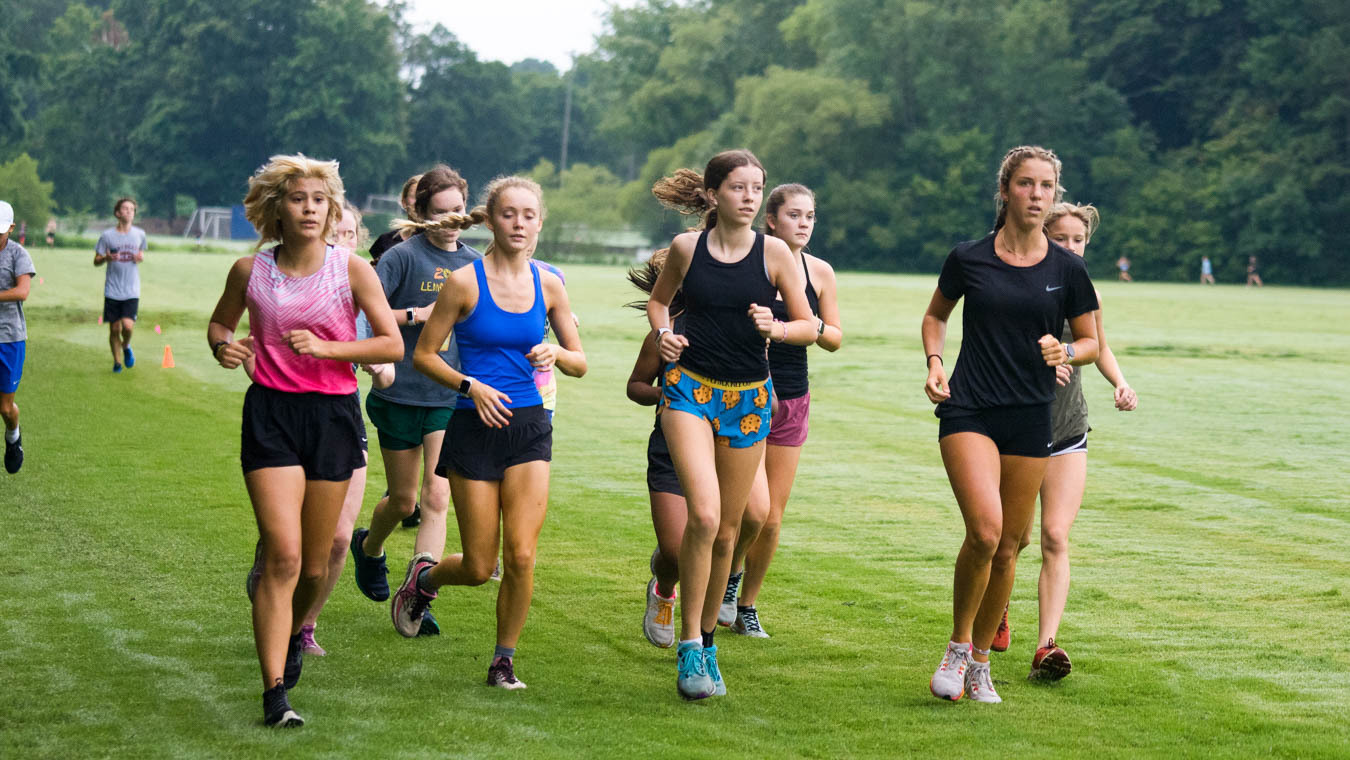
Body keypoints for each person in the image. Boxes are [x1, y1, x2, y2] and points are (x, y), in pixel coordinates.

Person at [207, 154, 402, 727]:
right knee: (284, 554)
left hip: (333, 417)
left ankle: (293, 630)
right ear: (277, 208)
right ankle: (274, 695)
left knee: (315, 566)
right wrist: (225, 347)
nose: (310, 208)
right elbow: (221, 324)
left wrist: (330, 350)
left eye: (319, 199)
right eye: (298, 198)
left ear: (331, 208)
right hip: (271, 414)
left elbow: (390, 344)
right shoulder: (250, 271)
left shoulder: (351, 270)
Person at [391, 175, 585, 690]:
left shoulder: (550, 283)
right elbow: (424, 355)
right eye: (508, 214)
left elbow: (580, 362)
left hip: (528, 427)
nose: (519, 223)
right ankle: (423, 580)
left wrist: (558, 353)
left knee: (521, 554)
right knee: (480, 565)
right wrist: (469, 385)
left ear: (540, 223)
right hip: (473, 426)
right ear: (491, 220)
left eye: (528, 215)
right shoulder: (465, 282)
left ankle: (503, 660)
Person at [921, 145, 1099, 705]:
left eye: (1046, 186)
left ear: (1054, 196)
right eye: (1025, 184)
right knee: (986, 531)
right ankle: (955, 648)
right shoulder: (970, 257)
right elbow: (935, 316)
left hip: (1030, 415)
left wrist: (1064, 351)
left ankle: (979, 665)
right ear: (1005, 191)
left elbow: (1092, 342)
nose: (1036, 195)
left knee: (1009, 549)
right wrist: (933, 361)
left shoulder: (1067, 269)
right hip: (970, 407)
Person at [645, 150, 817, 700]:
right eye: (738, 187)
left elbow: (811, 325)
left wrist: (779, 327)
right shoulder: (686, 249)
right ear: (714, 194)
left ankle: (707, 639)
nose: (748, 196)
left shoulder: (775, 254)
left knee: (729, 530)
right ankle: (690, 648)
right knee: (705, 512)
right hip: (689, 392)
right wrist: (662, 336)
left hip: (749, 399)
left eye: (755, 188)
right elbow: (659, 302)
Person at [244, 200, 397, 657]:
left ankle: (303, 626)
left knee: (334, 540)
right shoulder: (281, 277)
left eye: (349, 234)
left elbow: (386, 364)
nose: (341, 241)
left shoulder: (357, 280)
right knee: (290, 547)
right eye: (339, 233)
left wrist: (364, 362)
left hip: (341, 414)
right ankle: (275, 566)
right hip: (283, 414)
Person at [996, 203, 1137, 681]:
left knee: (1055, 536)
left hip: (1067, 428)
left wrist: (1119, 380)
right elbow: (991, 345)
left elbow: (1096, 341)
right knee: (1008, 540)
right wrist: (1040, 362)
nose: (1071, 248)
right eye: (1062, 238)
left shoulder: (1084, 288)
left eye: (1079, 240)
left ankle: (1046, 648)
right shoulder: (1012, 279)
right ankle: (996, 607)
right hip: (1014, 426)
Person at [348, 167, 483, 634]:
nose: (450, 219)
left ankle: (418, 595)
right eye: (440, 211)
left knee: (437, 494)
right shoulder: (401, 257)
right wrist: (412, 319)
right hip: (399, 391)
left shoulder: (474, 263)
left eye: (457, 211)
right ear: (420, 213)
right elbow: (364, 312)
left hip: (448, 393)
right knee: (404, 501)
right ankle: (368, 547)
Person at [718, 183, 842, 638]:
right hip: (747, 393)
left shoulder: (821, 272)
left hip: (793, 397)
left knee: (772, 516)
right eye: (794, 215)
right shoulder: (757, 262)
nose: (804, 223)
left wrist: (800, 325)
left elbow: (833, 338)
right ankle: (722, 582)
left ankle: (744, 600)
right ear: (772, 220)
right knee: (746, 510)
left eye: (810, 216)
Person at [625, 251, 687, 649]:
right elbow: (635, 385)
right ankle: (665, 587)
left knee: (718, 543)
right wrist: (664, 393)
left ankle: (697, 640)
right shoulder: (663, 333)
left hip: (723, 443)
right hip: (669, 445)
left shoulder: (735, 328)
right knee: (675, 551)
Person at [0, 201, 34, 474]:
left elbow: (23, 291)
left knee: (5, 407)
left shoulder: (17, 255)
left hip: (10, 337)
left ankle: (13, 438)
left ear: (10, 228)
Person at [94, 198, 147, 372]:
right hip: (112, 289)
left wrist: (140, 258)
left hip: (132, 289)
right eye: (125, 208)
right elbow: (96, 260)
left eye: (132, 209)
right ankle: (117, 362)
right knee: (115, 328)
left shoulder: (139, 234)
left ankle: (126, 347)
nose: (129, 211)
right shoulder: (107, 236)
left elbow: (141, 253)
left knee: (128, 326)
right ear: (117, 213)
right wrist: (105, 258)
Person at [368, 174, 423, 264]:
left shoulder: (441, 241)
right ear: (404, 202)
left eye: (422, 197)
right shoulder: (385, 241)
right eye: (414, 197)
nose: (418, 203)